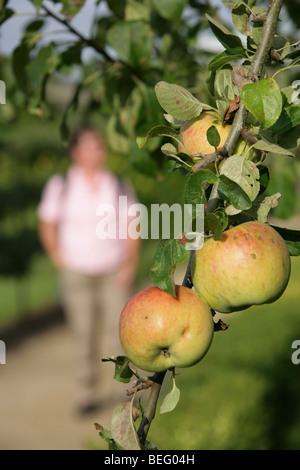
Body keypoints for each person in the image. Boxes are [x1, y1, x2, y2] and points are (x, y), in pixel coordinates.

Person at [37, 126, 140, 415]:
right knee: (84, 334)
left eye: (99, 145)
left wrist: (130, 264)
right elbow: (47, 224)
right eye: (91, 146)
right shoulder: (61, 185)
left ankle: (126, 389)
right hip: (78, 271)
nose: (97, 151)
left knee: (120, 332)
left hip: (113, 269)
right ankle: (87, 392)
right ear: (76, 152)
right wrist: (59, 258)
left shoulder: (117, 183)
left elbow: (132, 225)